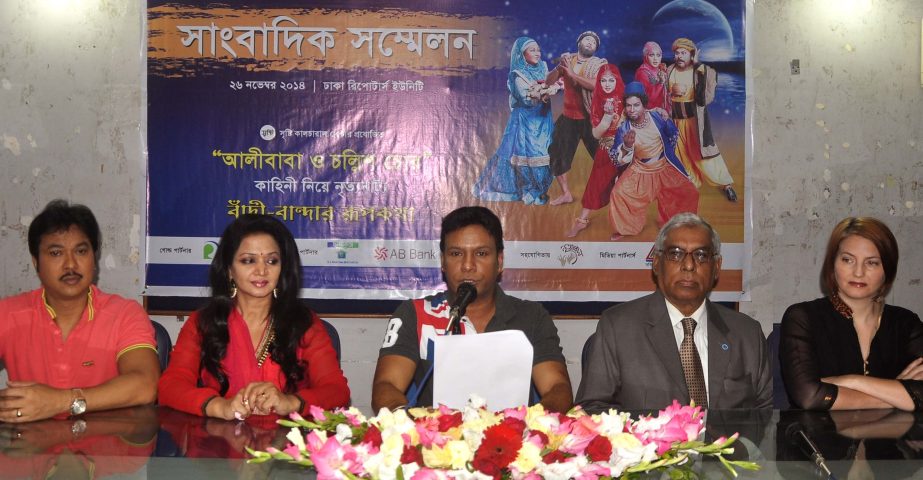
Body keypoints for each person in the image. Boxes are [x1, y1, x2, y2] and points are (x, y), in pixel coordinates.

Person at [372, 206, 572, 413]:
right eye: (456, 253)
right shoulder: (414, 314)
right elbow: (387, 386)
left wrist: (534, 422)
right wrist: (407, 422)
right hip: (435, 438)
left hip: (514, 438)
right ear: (443, 261)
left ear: (499, 261)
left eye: (481, 253)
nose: (468, 265)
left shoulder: (531, 317)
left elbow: (557, 388)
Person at [158, 214, 349, 419]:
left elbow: (337, 391)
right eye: (248, 260)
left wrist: (290, 402)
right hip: (217, 443)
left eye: (272, 260)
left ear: (282, 268)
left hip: (287, 445)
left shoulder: (303, 323)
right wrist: (220, 407)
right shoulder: (204, 323)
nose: (261, 270)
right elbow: (170, 387)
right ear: (229, 270)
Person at [576, 213, 772, 412]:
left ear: (717, 267)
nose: (688, 265)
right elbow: (592, 408)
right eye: (676, 254)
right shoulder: (618, 328)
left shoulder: (747, 334)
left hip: (728, 443)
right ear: (656, 262)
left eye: (701, 255)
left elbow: (766, 416)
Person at [0, 199, 159, 423]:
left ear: (94, 259)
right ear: (36, 262)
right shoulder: (8, 314)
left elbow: (145, 385)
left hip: (106, 450)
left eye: (81, 251)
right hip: (30, 451)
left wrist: (59, 402)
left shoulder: (125, 314)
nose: (70, 265)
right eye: (56, 253)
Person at [780, 217, 923, 411]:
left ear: (887, 271)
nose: (858, 272)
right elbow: (810, 397)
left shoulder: (906, 323)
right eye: (847, 260)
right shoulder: (802, 317)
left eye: (872, 263)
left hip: (892, 439)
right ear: (832, 264)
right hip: (817, 439)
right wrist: (897, 393)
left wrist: (851, 381)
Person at [606, 82, 699, 240]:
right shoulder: (624, 128)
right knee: (618, 193)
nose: (632, 109)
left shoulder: (657, 116)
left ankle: (675, 224)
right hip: (640, 170)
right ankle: (626, 228)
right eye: (628, 105)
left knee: (689, 192)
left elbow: (672, 134)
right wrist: (627, 147)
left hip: (663, 167)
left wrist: (668, 149)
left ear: (643, 104)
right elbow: (616, 159)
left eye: (636, 105)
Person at [473, 37, 557, 205]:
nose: (537, 53)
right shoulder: (517, 75)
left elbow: (551, 84)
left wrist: (552, 88)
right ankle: (528, 189)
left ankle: (539, 190)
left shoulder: (543, 68)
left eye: (538, 50)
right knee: (527, 155)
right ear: (522, 53)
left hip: (543, 120)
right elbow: (526, 99)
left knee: (547, 153)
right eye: (532, 50)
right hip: (525, 121)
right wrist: (544, 93)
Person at [666, 38, 738, 202]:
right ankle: (689, 183)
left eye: (683, 53)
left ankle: (726, 184)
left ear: (691, 55)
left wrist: (698, 65)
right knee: (680, 155)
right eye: (677, 53)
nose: (679, 56)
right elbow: (661, 95)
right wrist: (671, 94)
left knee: (705, 155)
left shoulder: (700, 71)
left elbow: (706, 98)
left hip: (694, 123)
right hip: (675, 122)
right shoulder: (669, 70)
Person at [546, 31, 607, 206]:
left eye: (594, 43)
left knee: (604, 157)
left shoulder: (600, 65)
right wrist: (560, 69)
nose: (590, 43)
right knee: (557, 155)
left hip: (590, 119)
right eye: (587, 39)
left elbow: (597, 85)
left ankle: (613, 190)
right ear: (579, 42)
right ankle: (566, 194)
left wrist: (572, 74)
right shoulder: (567, 61)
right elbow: (548, 81)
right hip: (568, 119)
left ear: (596, 49)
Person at [566, 64, 625, 238]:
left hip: (627, 150)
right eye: (603, 80)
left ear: (617, 80)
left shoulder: (627, 97)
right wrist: (607, 118)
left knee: (623, 187)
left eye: (611, 80)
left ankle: (622, 224)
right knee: (596, 185)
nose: (607, 84)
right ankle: (582, 221)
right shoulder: (597, 100)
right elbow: (596, 133)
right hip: (606, 149)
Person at [634, 41, 669, 111]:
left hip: (663, 111)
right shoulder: (643, 72)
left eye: (658, 55)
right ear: (646, 56)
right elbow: (648, 99)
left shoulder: (661, 69)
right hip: (650, 112)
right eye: (652, 55)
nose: (655, 58)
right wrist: (661, 83)